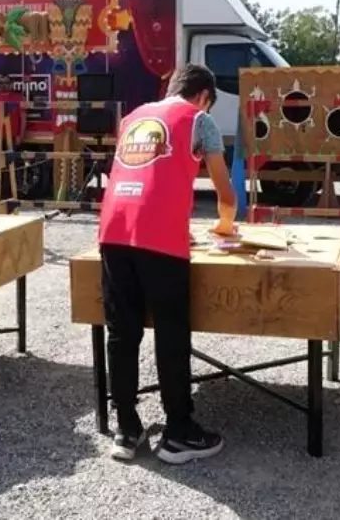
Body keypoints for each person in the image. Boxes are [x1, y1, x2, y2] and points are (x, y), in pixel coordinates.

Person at [97, 63, 238, 464]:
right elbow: (225, 192)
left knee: (122, 332)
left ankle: (126, 429)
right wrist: (225, 227)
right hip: (159, 237)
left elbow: (146, 176)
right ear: (204, 96)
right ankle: (179, 431)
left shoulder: (134, 117)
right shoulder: (199, 120)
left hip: (114, 230)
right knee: (171, 331)